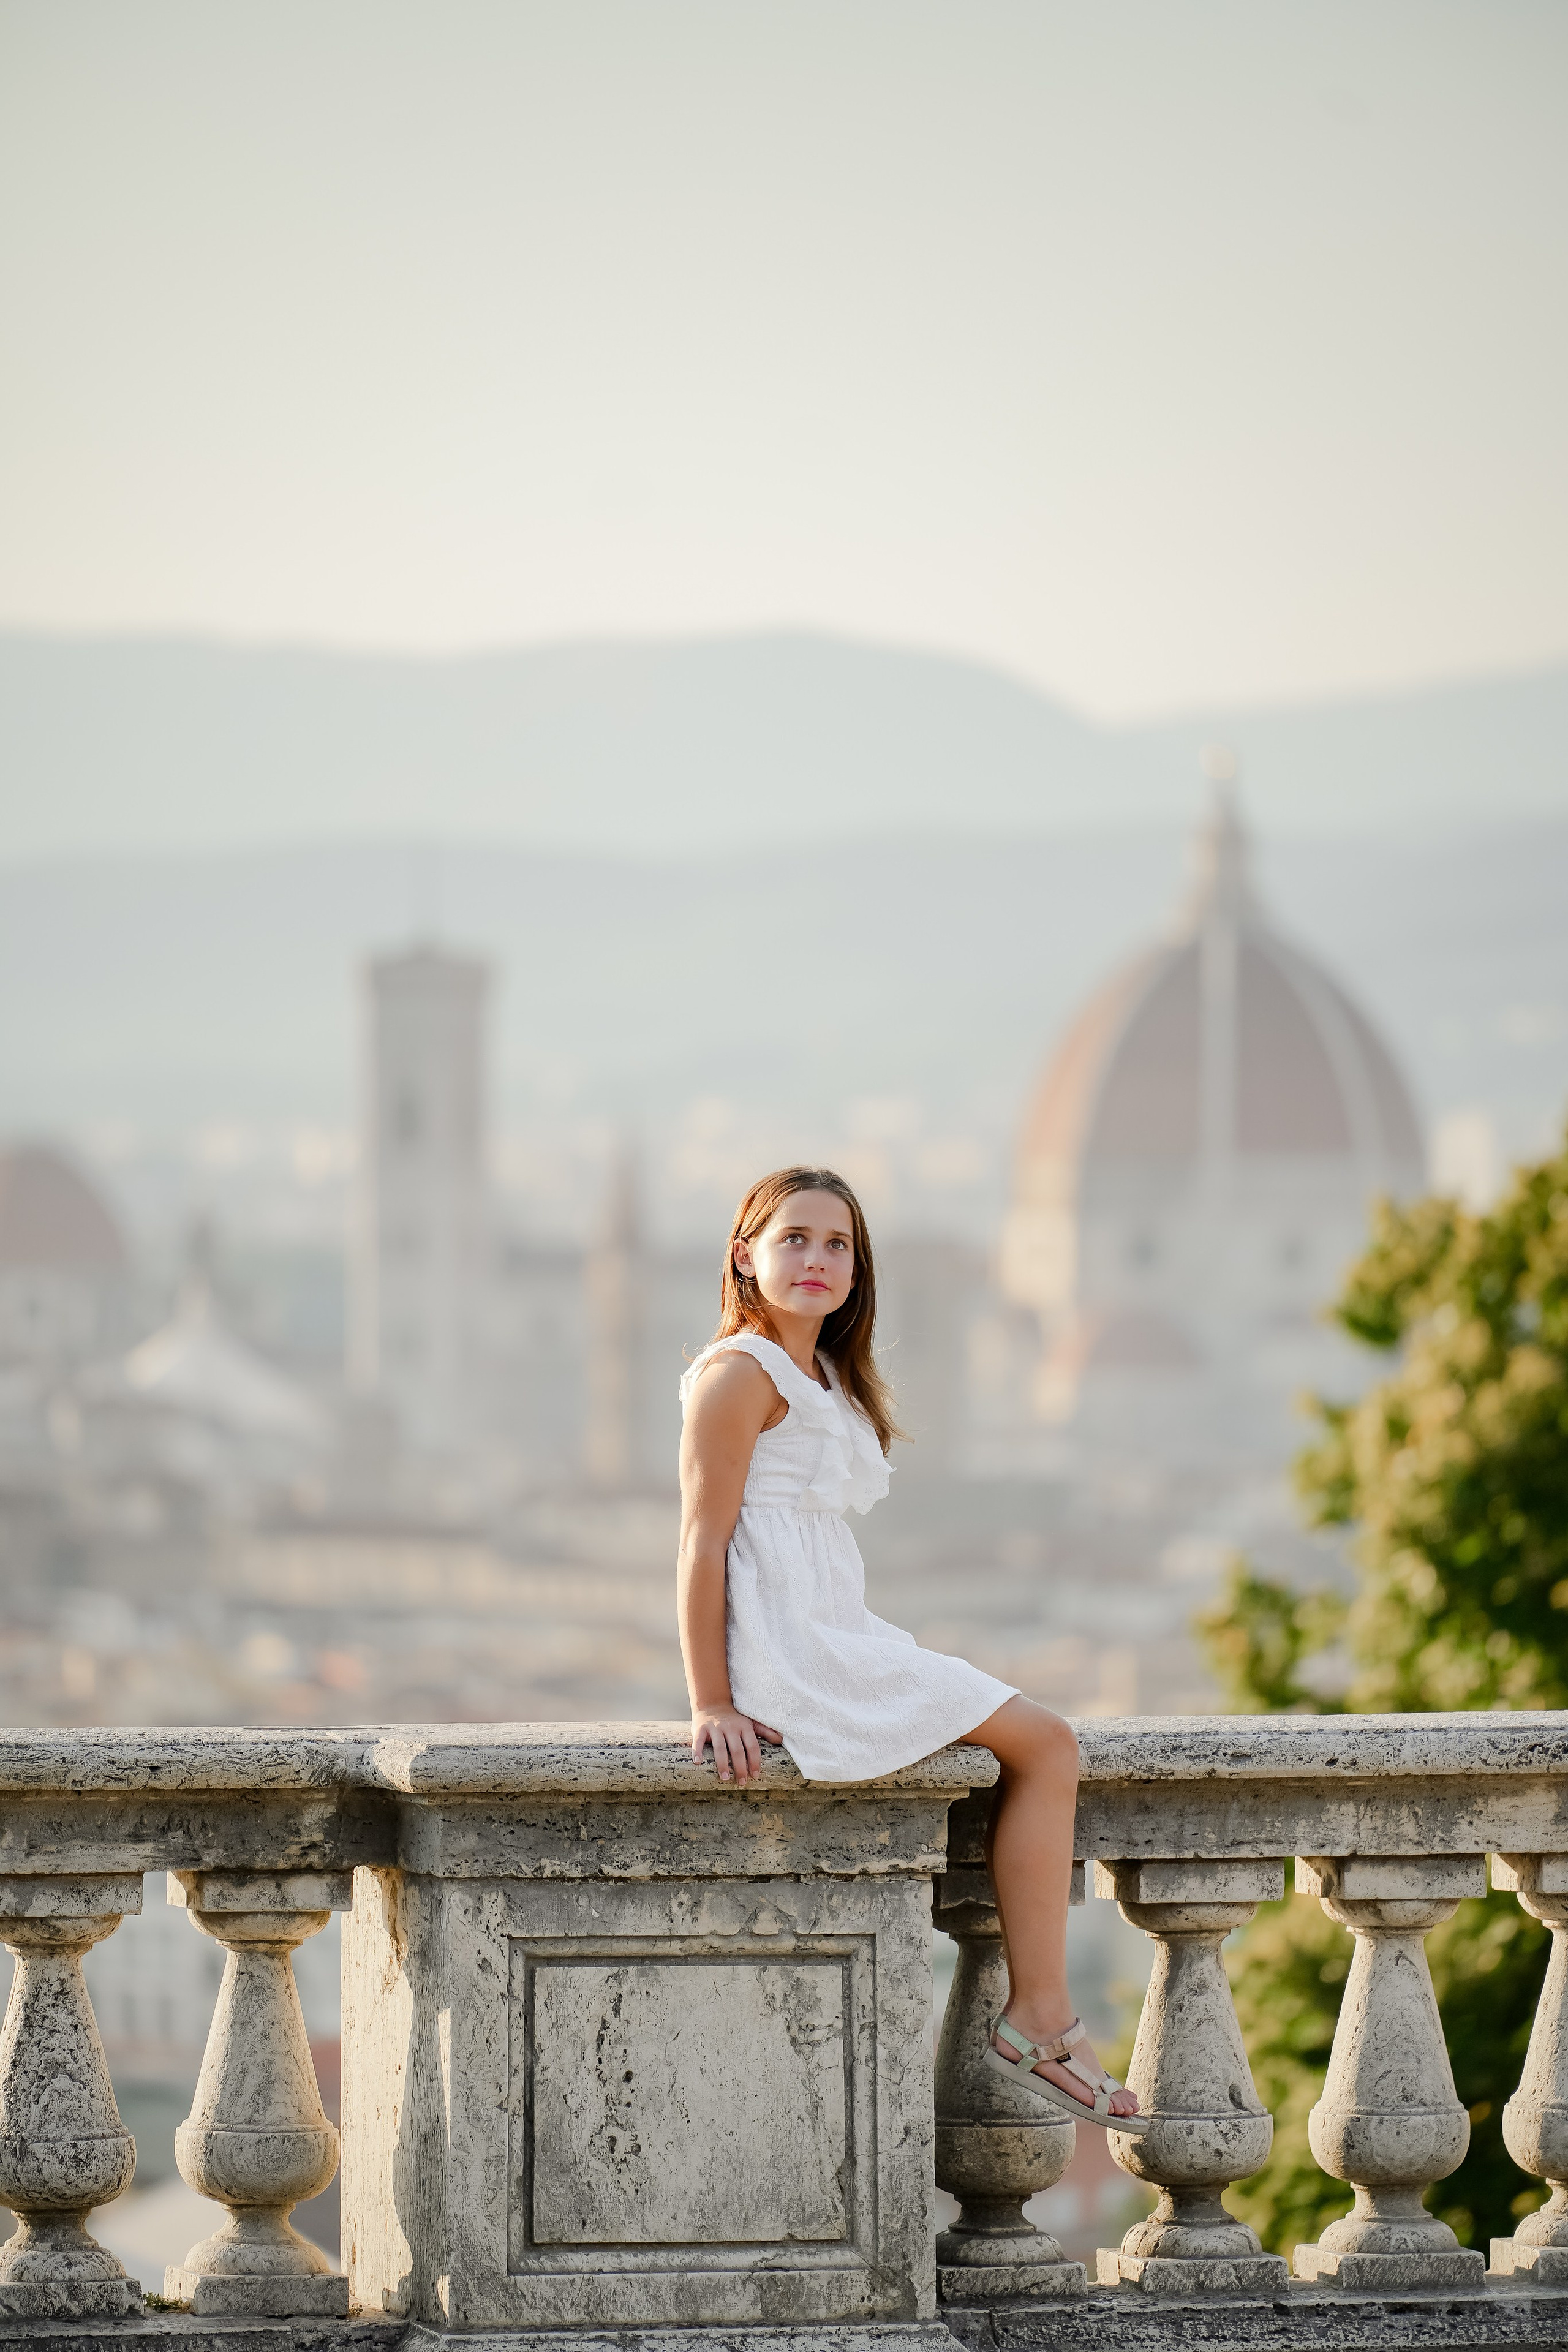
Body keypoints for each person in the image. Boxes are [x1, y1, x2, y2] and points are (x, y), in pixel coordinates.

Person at [677, 1164, 1144, 2133]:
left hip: (835, 1629)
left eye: (838, 1244)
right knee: (1049, 1743)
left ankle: (1040, 2011)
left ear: (859, 1267)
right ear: (745, 1256)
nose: (816, 1259)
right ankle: (1039, 2016)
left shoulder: (823, 1376)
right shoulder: (737, 1374)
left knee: (1043, 1744)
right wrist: (712, 1701)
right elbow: (701, 1542)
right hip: (795, 1649)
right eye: (794, 1238)